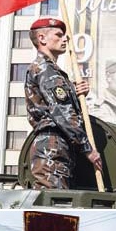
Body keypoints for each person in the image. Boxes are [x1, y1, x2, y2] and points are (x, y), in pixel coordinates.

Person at [25, 17, 102, 189]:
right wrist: (88, 149)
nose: (65, 39)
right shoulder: (46, 69)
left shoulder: (51, 70)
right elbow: (63, 113)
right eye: (58, 35)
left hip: (58, 145)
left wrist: (75, 93)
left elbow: (57, 104)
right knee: (55, 202)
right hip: (51, 146)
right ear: (42, 39)